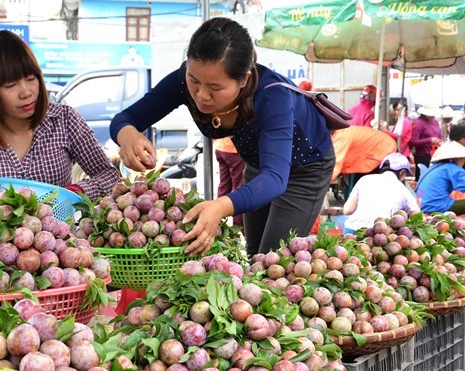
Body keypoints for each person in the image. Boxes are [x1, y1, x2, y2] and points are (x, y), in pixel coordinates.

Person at [109, 17, 334, 256]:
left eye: (215, 88)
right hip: (261, 165)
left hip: (306, 169)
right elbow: (125, 119)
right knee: (254, 257)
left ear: (244, 80)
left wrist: (221, 206)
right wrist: (128, 135)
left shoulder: (272, 97)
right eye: (194, 80)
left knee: (272, 261)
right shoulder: (184, 81)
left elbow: (275, 179)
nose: (201, 95)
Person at [0, 30, 121, 219]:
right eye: (11, 85)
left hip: (58, 242)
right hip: (0, 244)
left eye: (31, 79)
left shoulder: (64, 120)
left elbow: (108, 176)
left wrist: (73, 192)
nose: (26, 92)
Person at [342, 153, 419, 234]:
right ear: (402, 172)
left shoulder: (364, 179)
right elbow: (416, 216)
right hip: (376, 233)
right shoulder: (403, 189)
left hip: (351, 230)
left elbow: (347, 210)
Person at [416, 140, 465, 215]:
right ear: (459, 158)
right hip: (436, 206)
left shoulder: (434, 167)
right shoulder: (454, 169)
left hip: (419, 205)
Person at [214, 137, 244, 228]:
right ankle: (238, 227)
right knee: (239, 188)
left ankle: (217, 223)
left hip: (220, 147)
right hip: (234, 150)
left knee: (224, 186)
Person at [409, 104, 443, 181]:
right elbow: (413, 142)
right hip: (422, 156)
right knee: (422, 179)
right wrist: (430, 140)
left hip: (434, 155)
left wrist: (441, 141)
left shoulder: (435, 121)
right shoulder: (419, 123)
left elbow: (439, 135)